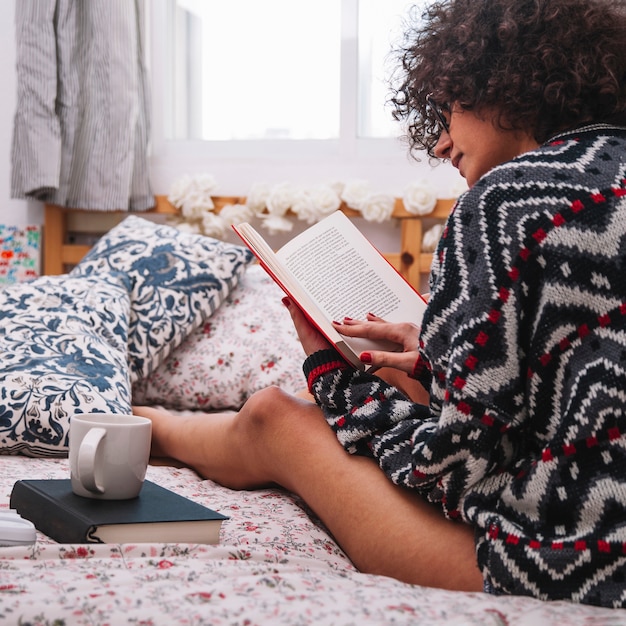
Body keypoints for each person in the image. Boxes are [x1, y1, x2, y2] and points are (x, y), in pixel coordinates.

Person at [135, 0, 626, 608]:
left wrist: (336, 382)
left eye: (450, 109)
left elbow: (453, 477)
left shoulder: (503, 206)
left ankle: (146, 423)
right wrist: (439, 360)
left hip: (568, 567)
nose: (443, 143)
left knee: (276, 417)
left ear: (506, 84)